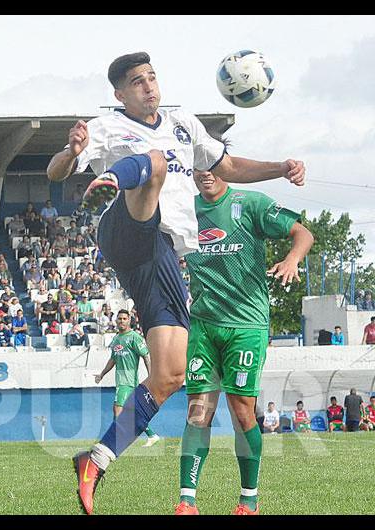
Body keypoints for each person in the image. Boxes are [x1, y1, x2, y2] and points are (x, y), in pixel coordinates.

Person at [48, 52, 305, 516]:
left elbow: (226, 167)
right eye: (136, 81)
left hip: (159, 257)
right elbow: (55, 171)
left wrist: (280, 168)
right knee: (152, 161)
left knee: (169, 374)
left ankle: (96, 460)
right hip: (126, 228)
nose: (148, 86)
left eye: (151, 77)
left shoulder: (184, 123)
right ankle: (111, 178)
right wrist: (71, 152)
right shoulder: (104, 127)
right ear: (119, 94)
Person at [174, 169, 313, 515]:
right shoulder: (183, 210)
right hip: (204, 325)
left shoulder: (250, 203)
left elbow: (303, 233)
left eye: (212, 164)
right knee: (197, 413)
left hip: (246, 325)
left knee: (241, 412)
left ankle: (248, 499)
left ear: (225, 166)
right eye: (197, 165)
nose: (205, 173)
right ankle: (187, 501)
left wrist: (292, 258)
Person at [94, 309, 159, 447]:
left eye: (124, 318)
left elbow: (146, 356)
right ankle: (151, 435)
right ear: (116, 320)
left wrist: (151, 375)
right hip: (121, 380)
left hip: (127, 381)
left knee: (117, 409)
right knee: (131, 411)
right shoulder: (116, 338)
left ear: (129, 320)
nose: (121, 321)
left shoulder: (134, 337)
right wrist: (102, 374)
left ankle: (114, 441)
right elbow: (113, 359)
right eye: (119, 319)